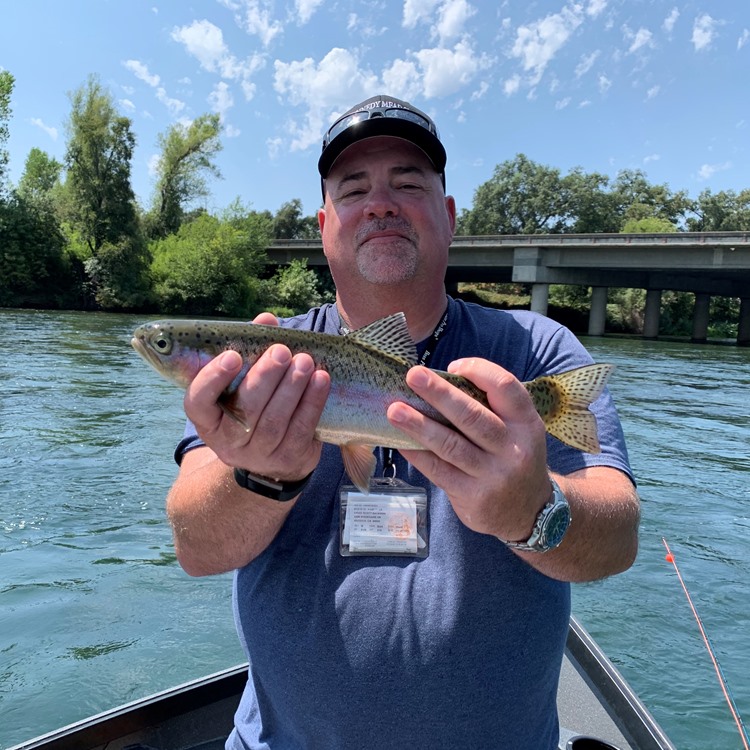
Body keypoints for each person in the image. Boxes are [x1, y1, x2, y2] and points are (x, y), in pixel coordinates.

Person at [167, 95, 640, 750]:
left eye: (408, 183)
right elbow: (195, 547)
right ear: (324, 223)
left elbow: (618, 541)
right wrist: (259, 479)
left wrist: (534, 511)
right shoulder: (268, 363)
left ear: (448, 217)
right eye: (354, 188)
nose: (381, 202)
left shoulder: (540, 351)